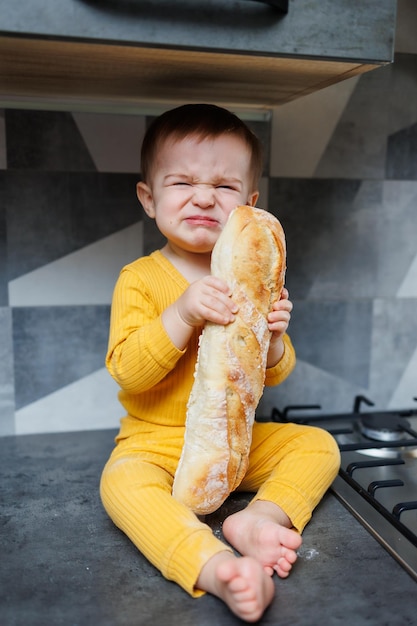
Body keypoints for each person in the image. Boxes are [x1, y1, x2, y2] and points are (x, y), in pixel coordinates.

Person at [100, 103, 340, 623]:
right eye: (183, 181)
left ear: (249, 205)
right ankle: (209, 565)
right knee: (121, 487)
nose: (205, 196)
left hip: (237, 442)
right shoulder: (140, 278)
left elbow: (272, 373)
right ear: (149, 198)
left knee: (317, 444)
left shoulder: (253, 277)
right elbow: (127, 370)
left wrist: (272, 337)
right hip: (154, 444)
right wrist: (183, 313)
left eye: (225, 187)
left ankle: (255, 520)